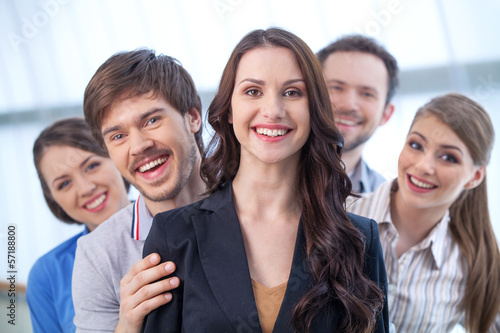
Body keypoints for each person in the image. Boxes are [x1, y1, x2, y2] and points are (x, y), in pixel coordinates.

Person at [142, 28, 389, 333]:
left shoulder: (359, 240)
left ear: (314, 109)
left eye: (292, 92)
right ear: (229, 109)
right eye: (253, 91)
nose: (273, 110)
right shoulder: (175, 234)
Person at [72, 49, 206, 332]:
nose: (138, 146)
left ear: (193, 117)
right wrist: (128, 324)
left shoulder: (258, 207)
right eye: (118, 136)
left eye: (151, 121)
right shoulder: (98, 255)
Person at [348, 93, 500, 332]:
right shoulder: (339, 213)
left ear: (475, 176)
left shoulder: (475, 263)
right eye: (416, 145)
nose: (423, 166)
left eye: (448, 157)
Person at [27, 117, 130, 332]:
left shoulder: (175, 224)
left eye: (92, 166)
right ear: (53, 199)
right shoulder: (47, 274)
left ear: (116, 157)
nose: (85, 188)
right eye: (64, 183)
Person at [316, 35, 399, 193]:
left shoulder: (388, 203)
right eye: (336, 88)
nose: (349, 105)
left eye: (367, 94)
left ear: (386, 114)